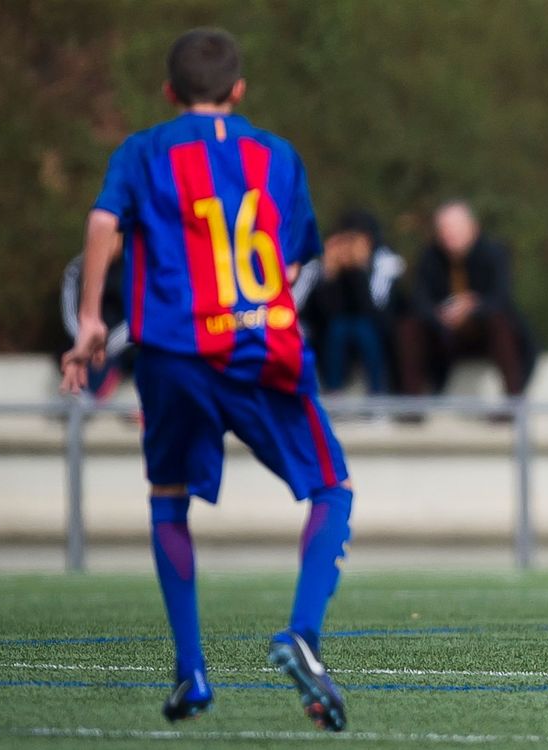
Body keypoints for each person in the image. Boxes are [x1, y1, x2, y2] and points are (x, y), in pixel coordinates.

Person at [60, 28, 351, 731]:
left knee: (168, 497)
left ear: (168, 92)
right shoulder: (276, 155)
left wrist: (92, 319)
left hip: (174, 353)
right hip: (258, 349)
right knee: (329, 487)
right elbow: (290, 260)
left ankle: (191, 672)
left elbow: (104, 223)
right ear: (239, 90)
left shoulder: (143, 151)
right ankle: (301, 634)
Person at [397, 200, 537, 399]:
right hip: (442, 334)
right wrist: (441, 314)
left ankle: (512, 402)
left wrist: (472, 307)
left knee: (501, 325)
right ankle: (411, 405)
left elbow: (501, 298)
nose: (449, 235)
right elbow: (419, 300)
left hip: (483, 331)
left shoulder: (494, 254)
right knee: (408, 328)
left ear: (472, 228)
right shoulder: (429, 258)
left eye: (455, 229)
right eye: (444, 230)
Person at [294, 210, 405, 393]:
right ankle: (334, 391)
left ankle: (377, 394)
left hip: (374, 328)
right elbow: (314, 312)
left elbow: (377, 310)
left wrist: (360, 270)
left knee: (363, 330)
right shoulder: (318, 266)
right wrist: (330, 274)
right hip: (329, 329)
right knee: (338, 329)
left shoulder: (384, 262)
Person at [60, 249, 136, 400]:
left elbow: (137, 315)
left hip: (121, 345)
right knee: (72, 354)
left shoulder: (136, 266)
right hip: (85, 340)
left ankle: (88, 396)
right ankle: (80, 394)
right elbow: (69, 309)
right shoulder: (78, 267)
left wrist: (105, 345)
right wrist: (85, 340)